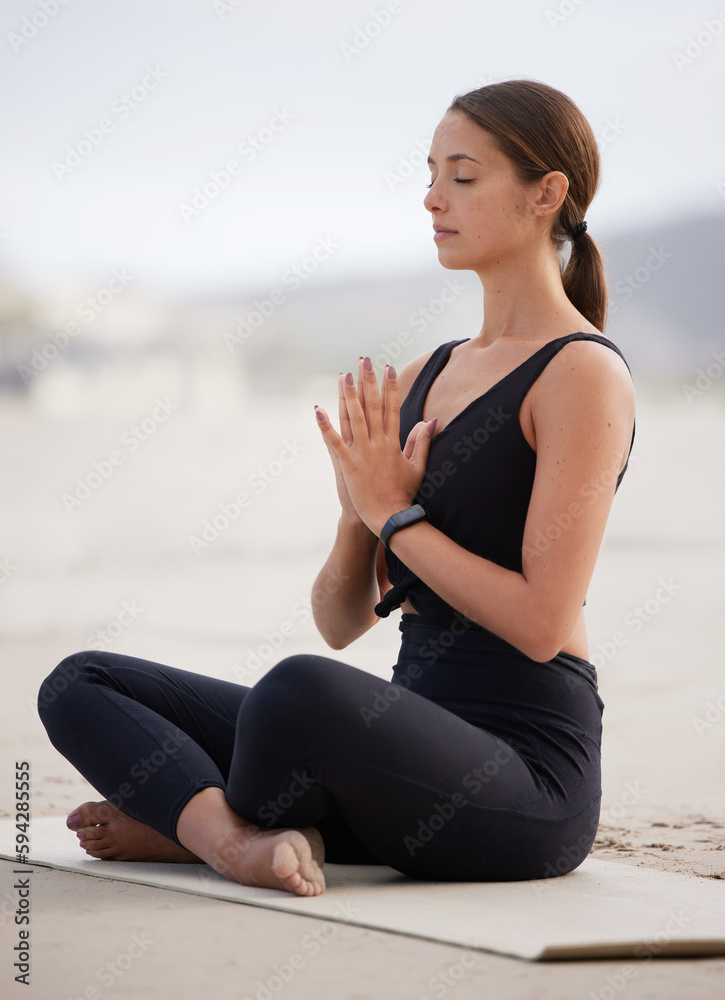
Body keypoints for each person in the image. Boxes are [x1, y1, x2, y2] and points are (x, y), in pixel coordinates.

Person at [38, 79, 635, 898]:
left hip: (524, 784)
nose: (432, 199)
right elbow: (339, 621)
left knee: (294, 694)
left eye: (462, 176)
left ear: (546, 194)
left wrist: (392, 512)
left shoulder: (580, 373)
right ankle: (232, 839)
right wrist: (357, 503)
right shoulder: (428, 372)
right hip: (398, 749)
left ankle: (197, 825)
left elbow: (541, 624)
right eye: (428, 174)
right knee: (82, 682)